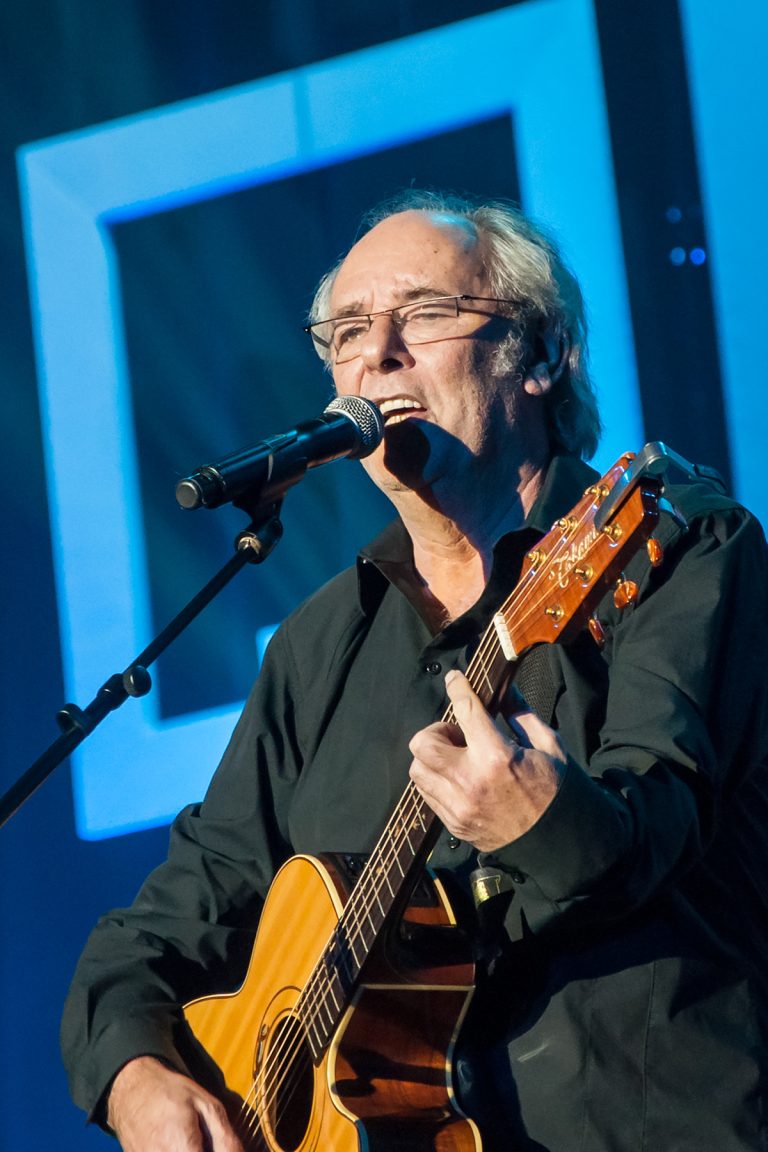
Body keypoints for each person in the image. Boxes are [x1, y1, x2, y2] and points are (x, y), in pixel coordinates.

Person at [61, 190, 768, 1152]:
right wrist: (134, 1072)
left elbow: (664, 821)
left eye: (424, 316)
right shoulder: (322, 644)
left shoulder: (674, 545)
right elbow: (167, 927)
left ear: (543, 354)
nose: (376, 355)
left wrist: (546, 824)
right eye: (349, 330)